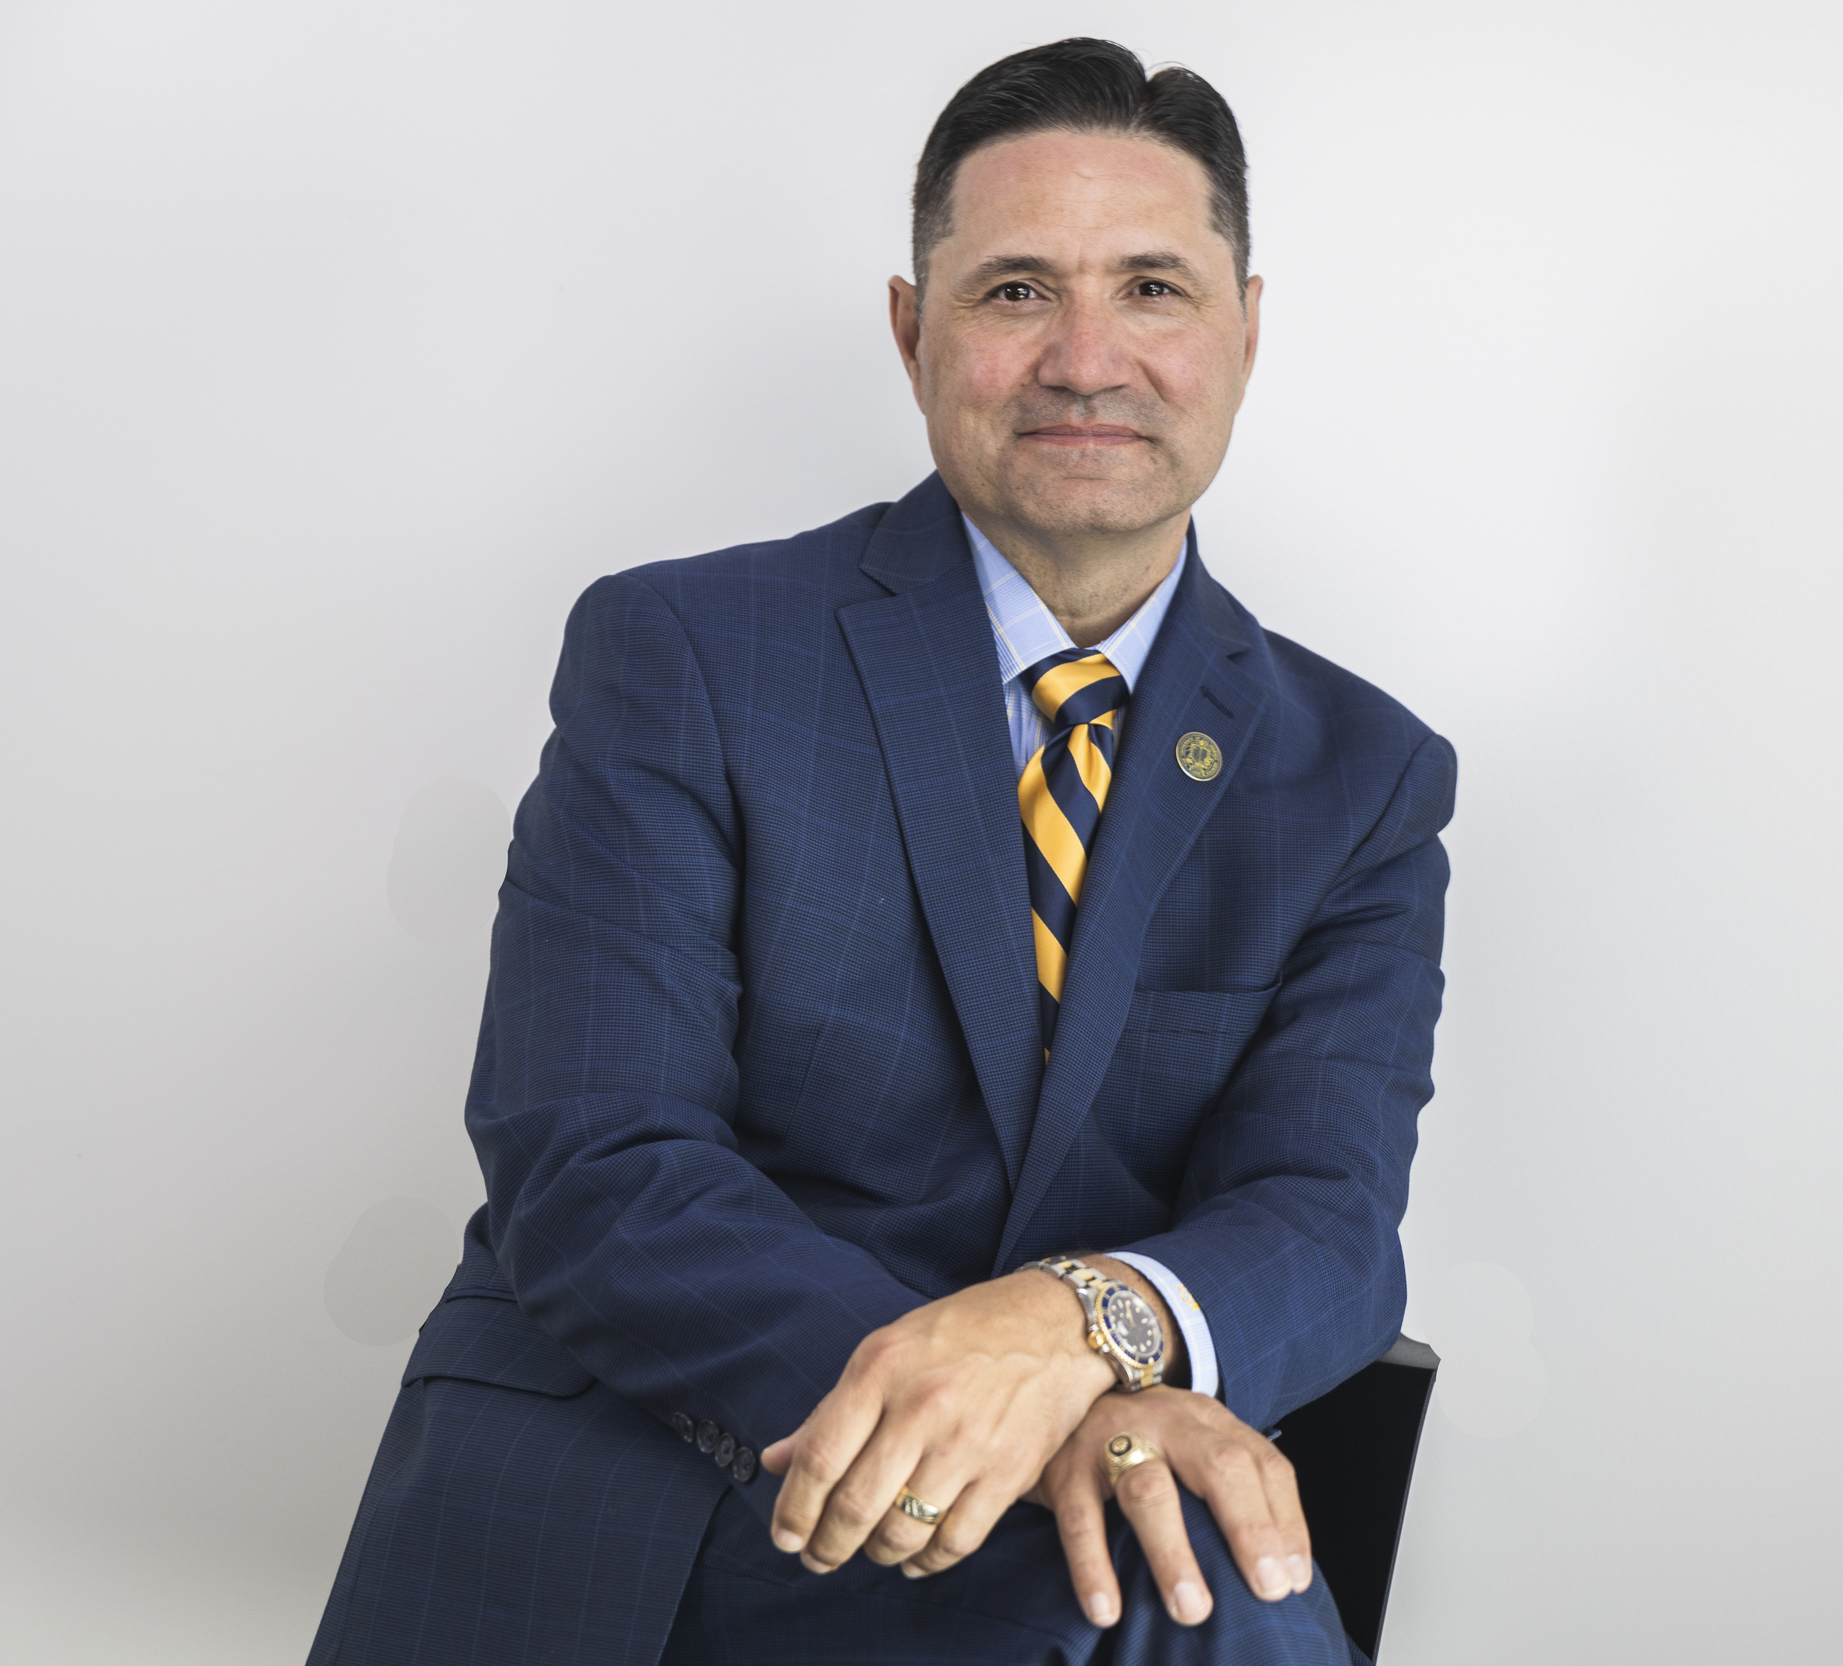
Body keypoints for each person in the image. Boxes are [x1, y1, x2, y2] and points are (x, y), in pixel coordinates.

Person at [311, 37, 1456, 1666]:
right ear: (914, 333)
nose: (1083, 356)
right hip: (670, 1478)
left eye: (1150, 288)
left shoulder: (1361, 776)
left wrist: (1070, 1336)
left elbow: (1325, 1220)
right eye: (1010, 293)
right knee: (1212, 1593)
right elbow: (597, 1162)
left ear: (1246, 331)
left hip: (1066, 1520)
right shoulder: (688, 649)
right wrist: (1019, 1409)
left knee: (1218, 1596)